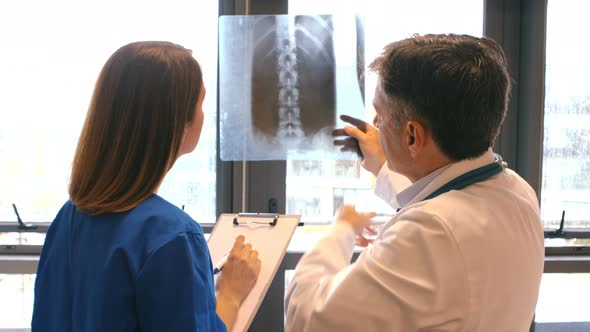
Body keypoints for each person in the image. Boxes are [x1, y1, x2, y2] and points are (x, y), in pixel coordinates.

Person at [285, 34, 544, 331]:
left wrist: (341, 230)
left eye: (379, 115)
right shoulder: (518, 192)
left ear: (412, 136)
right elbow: (450, 202)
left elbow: (308, 318)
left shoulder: (428, 234)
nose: (376, 124)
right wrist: (385, 164)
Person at [32, 41, 260, 332]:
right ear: (178, 121)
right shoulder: (172, 237)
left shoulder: (68, 218)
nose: (205, 115)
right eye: (201, 103)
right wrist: (230, 294)